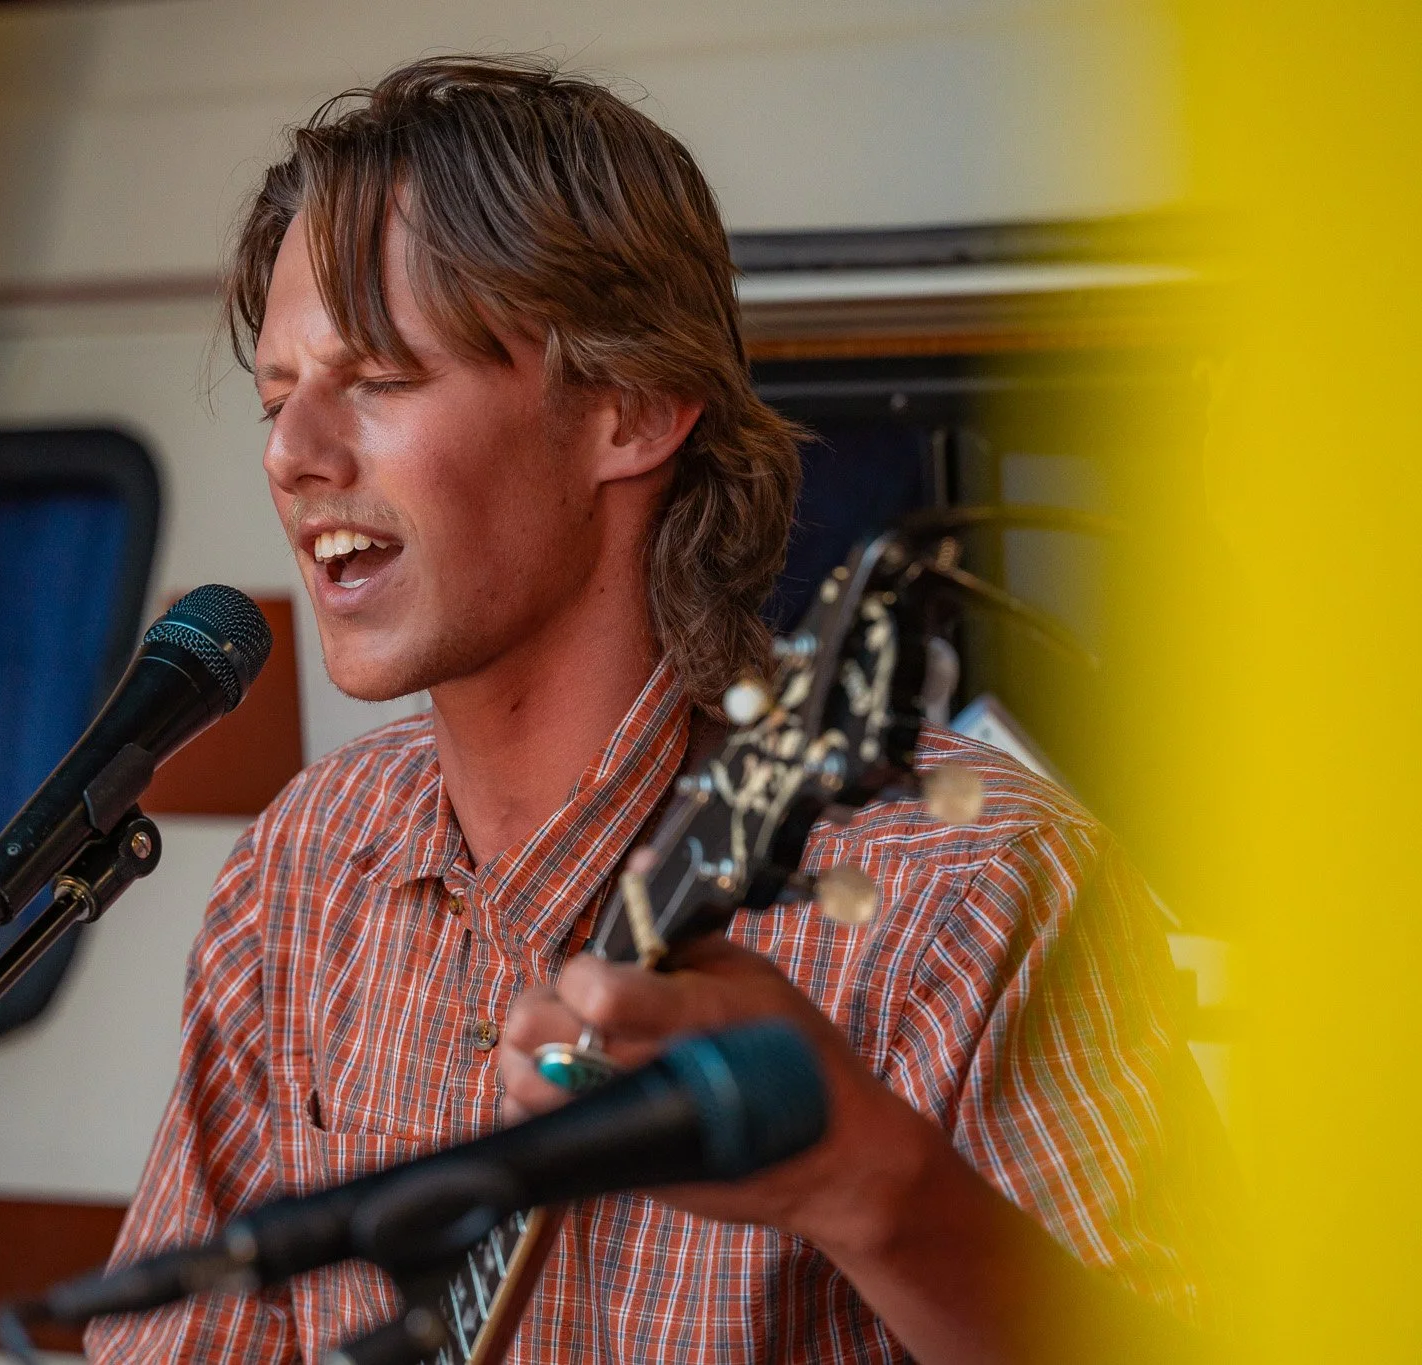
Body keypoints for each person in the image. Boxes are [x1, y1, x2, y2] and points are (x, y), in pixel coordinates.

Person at [86, 55, 1226, 1364]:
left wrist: (873, 1187)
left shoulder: (967, 885)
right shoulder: (307, 866)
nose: (292, 454)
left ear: (630, 407)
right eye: (279, 398)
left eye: (382, 379)